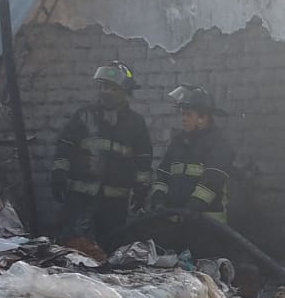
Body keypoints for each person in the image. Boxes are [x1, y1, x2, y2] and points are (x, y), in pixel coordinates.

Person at [50, 61, 152, 251]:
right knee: (73, 250)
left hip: (114, 206)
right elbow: (64, 146)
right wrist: (58, 175)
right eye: (103, 86)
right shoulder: (83, 115)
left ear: (124, 91)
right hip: (79, 201)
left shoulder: (136, 123)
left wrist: (141, 189)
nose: (106, 91)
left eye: (112, 88)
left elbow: (144, 160)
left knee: (109, 252)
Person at [149, 84, 235, 230]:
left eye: (188, 114)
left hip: (207, 225)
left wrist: (195, 204)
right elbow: (162, 175)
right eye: (182, 114)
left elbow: (213, 180)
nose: (183, 119)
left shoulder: (219, 143)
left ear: (203, 117)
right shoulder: (178, 142)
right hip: (175, 222)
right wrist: (158, 198)